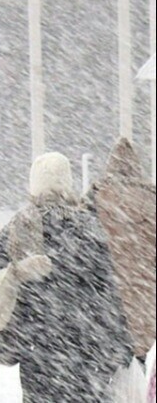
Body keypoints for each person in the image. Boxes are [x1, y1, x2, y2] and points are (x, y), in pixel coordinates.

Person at [0, 152, 133, 402]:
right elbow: (107, 283)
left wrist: (18, 267)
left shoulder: (23, 222)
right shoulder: (87, 223)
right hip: (85, 339)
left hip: (36, 338)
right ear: (67, 183)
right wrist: (120, 340)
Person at [84, 138, 156, 362]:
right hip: (145, 296)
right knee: (138, 361)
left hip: (107, 296)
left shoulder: (93, 200)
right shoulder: (152, 202)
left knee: (107, 369)